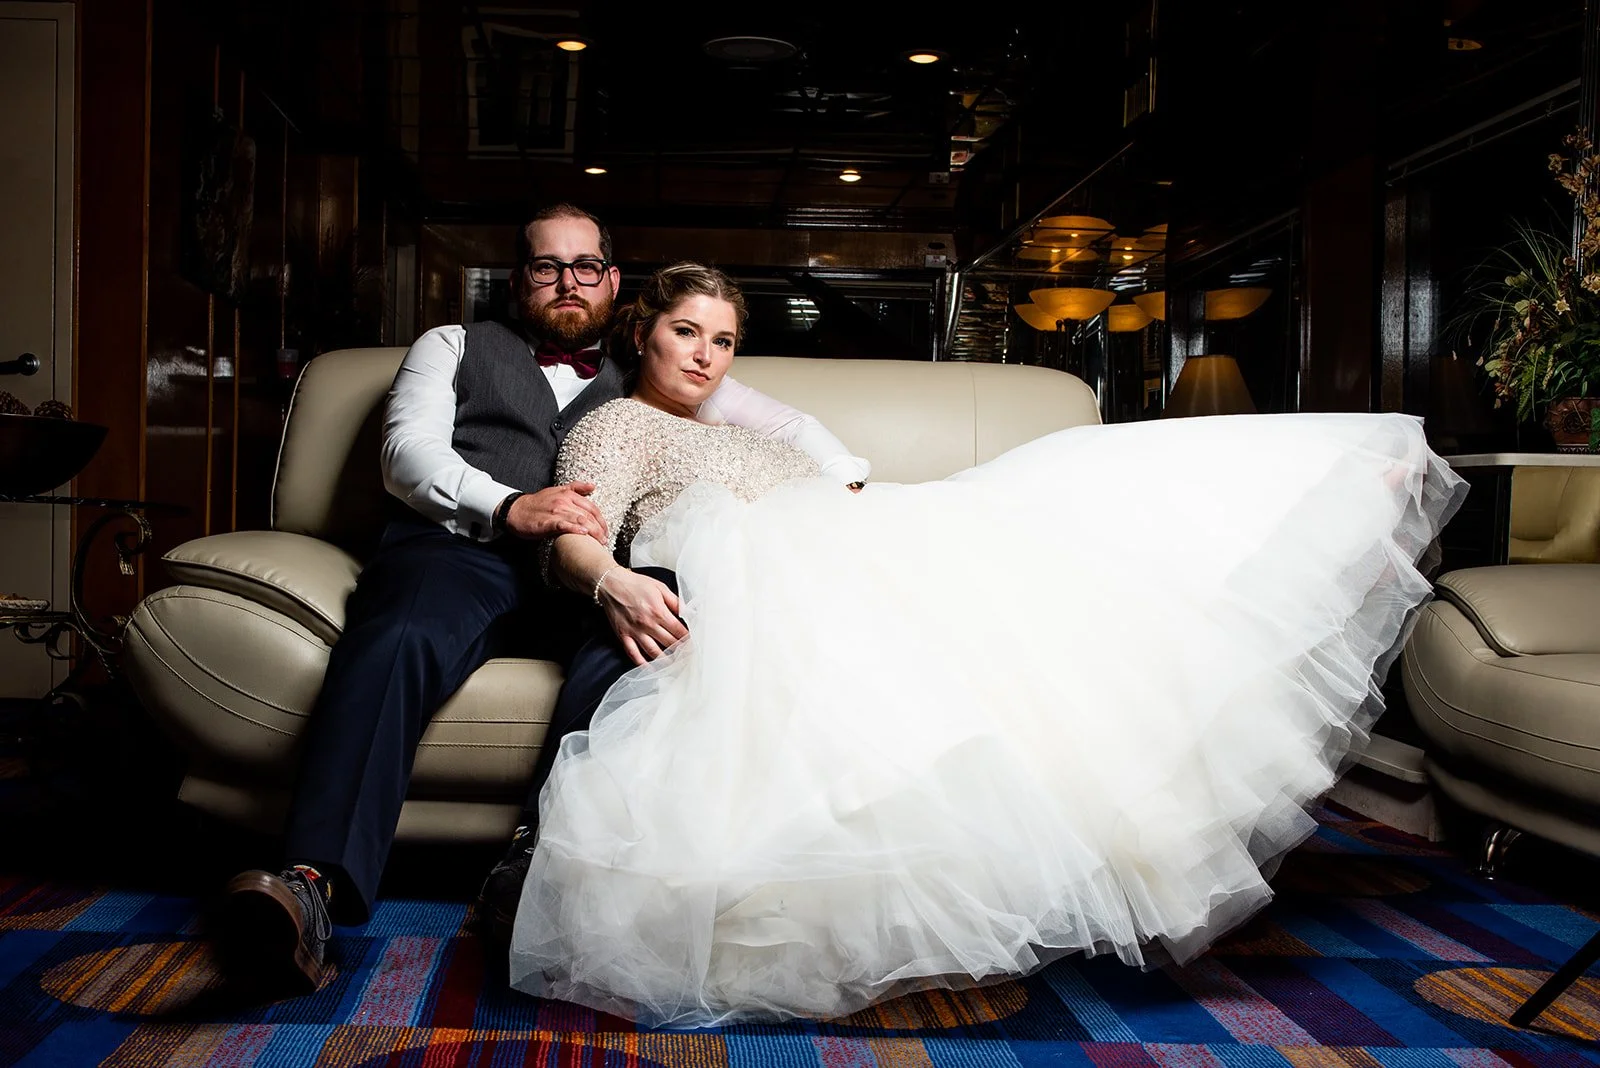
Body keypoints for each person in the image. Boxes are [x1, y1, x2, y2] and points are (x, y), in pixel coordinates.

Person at [507, 263, 1467, 1026]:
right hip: (761, 568)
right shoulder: (622, 424)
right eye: (687, 332)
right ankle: (1299, 533)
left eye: (723, 340)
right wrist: (615, 580)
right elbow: (575, 532)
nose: (706, 356)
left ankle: (1309, 519)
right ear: (643, 331)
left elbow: (824, 465)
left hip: (851, 529)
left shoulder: (749, 420)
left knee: (1060, 513)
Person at [213, 207, 869, 995]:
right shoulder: (452, 346)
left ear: (612, 280)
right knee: (402, 634)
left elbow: (790, 427)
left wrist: (845, 482)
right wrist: (507, 505)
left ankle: (531, 875)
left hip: (587, 574)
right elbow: (406, 453)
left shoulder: (651, 359)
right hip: (464, 552)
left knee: (638, 638)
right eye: (546, 266)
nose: (567, 281)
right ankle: (313, 887)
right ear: (516, 277)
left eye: (585, 265)